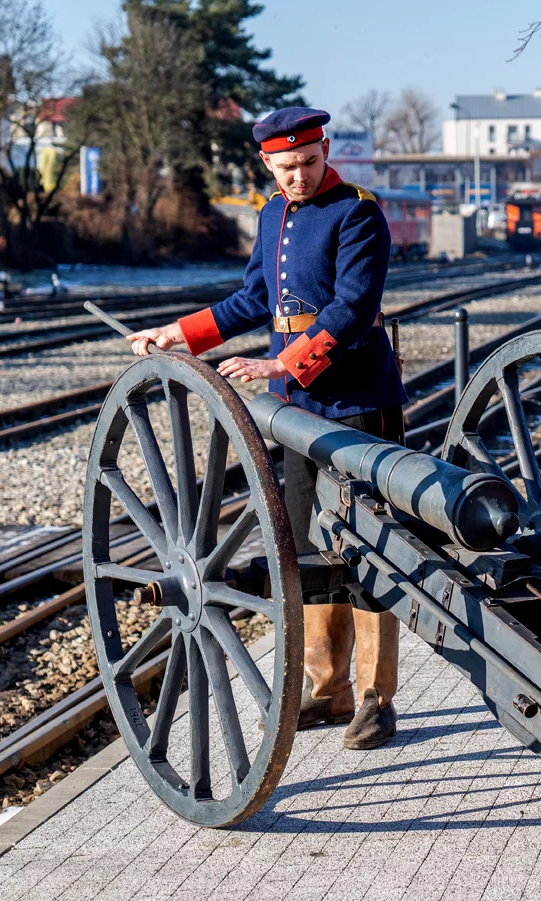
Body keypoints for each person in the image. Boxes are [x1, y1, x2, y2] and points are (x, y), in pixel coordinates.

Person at [128, 106, 407, 750]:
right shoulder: (272, 212)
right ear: (267, 164)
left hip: (358, 400)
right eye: (286, 167)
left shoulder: (357, 212)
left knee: (370, 550)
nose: (299, 176)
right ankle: (328, 689)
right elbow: (254, 299)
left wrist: (282, 362)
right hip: (299, 408)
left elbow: (353, 307)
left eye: (309, 162)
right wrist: (179, 334)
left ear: (325, 150)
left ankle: (376, 700)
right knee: (307, 546)